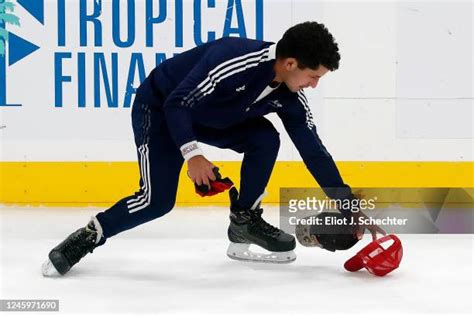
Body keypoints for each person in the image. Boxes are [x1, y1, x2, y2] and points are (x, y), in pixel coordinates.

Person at [42, 21, 385, 276]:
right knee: (157, 201)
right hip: (162, 110)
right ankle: (88, 236)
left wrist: (349, 206)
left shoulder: (290, 97)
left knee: (265, 138)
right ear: (290, 63)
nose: (314, 84)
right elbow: (178, 104)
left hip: (213, 118)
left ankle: (244, 219)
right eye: (314, 76)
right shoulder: (233, 57)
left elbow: (314, 152)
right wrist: (192, 154)